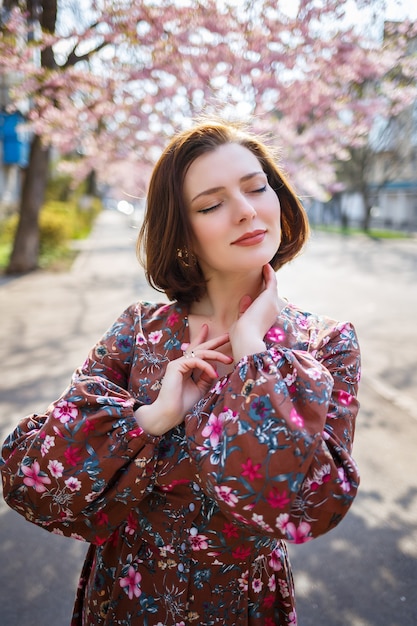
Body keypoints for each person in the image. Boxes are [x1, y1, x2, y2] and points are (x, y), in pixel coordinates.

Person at [1, 120, 361, 626]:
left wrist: (254, 352)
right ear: (182, 231)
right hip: (124, 603)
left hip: (241, 607)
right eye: (212, 204)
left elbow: (311, 507)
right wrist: (151, 419)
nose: (246, 210)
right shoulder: (139, 330)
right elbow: (32, 484)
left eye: (257, 187)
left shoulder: (325, 345)